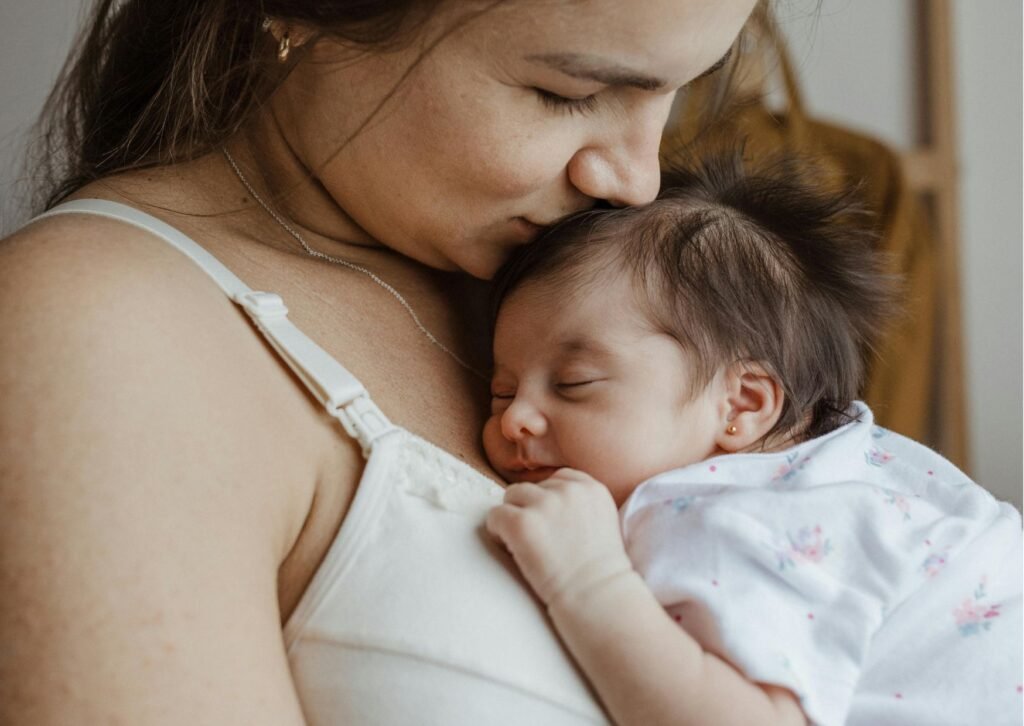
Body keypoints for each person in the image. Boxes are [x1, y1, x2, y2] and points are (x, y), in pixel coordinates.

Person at [0, 1, 761, 724]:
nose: (639, 181)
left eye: (679, 89)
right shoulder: (99, 328)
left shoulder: (603, 288)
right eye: (570, 92)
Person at [483, 151, 1024, 726]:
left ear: (741, 404)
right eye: (501, 390)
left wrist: (587, 580)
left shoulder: (733, 517)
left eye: (573, 384)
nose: (515, 418)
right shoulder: (843, 462)